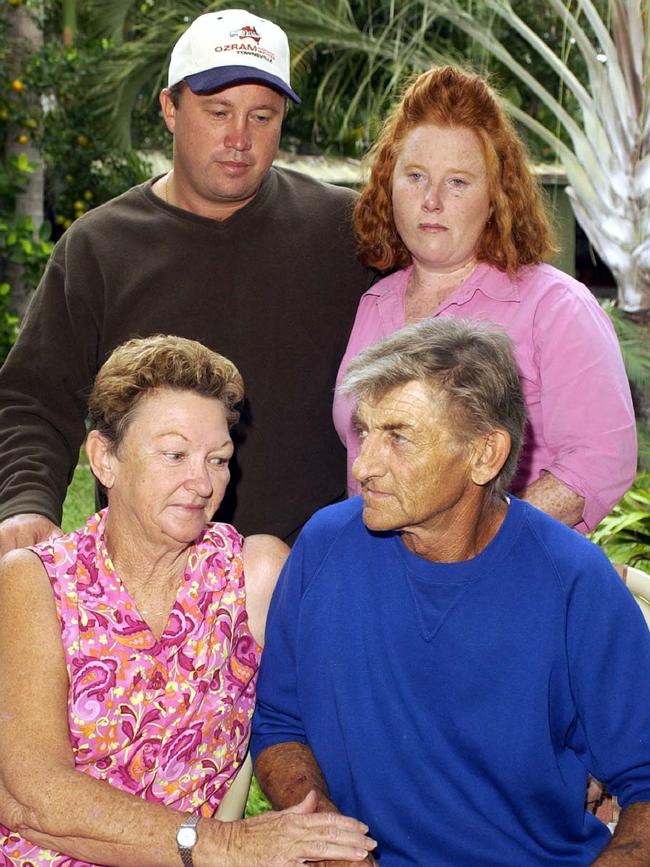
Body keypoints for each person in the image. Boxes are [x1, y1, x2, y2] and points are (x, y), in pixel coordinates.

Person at [251, 318, 650, 867]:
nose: (363, 465)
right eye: (365, 431)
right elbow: (280, 723)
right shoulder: (325, 545)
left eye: (398, 437)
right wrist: (330, 841)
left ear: (485, 455)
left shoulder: (571, 580)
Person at [0, 8, 373, 555]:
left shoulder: (350, 232)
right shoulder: (99, 247)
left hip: (315, 573)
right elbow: (32, 400)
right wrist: (26, 503)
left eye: (262, 117)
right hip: (151, 579)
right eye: (219, 112)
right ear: (170, 108)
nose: (240, 138)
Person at [0, 335, 376, 867]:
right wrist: (226, 843)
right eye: (174, 454)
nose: (202, 482)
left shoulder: (253, 574)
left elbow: (327, 719)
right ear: (105, 459)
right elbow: (33, 792)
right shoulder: (35, 581)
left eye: (218, 459)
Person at [333, 65, 636, 534]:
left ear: (496, 197)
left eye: (457, 182)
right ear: (388, 184)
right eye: (415, 176)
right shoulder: (375, 302)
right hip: (384, 576)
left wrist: (487, 546)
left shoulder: (554, 307)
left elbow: (600, 461)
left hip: (508, 579)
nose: (431, 200)